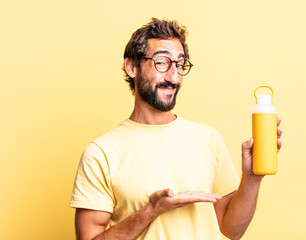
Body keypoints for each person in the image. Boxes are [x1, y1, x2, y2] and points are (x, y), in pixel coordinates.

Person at [70, 18, 282, 240]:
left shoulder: (207, 138)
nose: (173, 77)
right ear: (132, 67)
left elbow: (230, 230)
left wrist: (252, 178)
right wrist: (151, 210)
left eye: (179, 65)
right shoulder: (101, 153)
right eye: (161, 62)